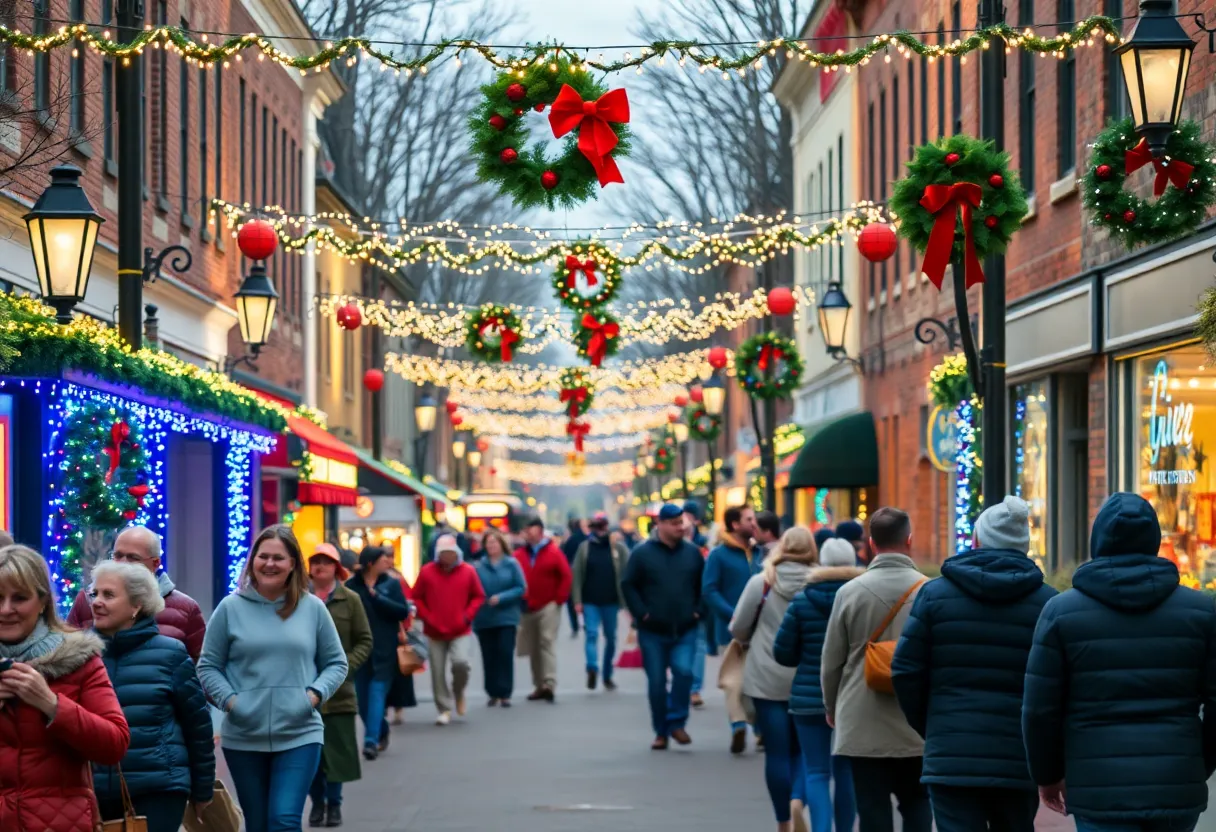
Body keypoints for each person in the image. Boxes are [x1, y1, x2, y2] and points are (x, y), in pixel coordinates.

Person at [1024, 492, 1216, 831]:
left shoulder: (1061, 613)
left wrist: (1048, 775)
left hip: (1097, 786)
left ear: (1098, 540)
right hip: (1174, 780)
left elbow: (1041, 709)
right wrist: (1198, 764)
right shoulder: (1201, 612)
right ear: (1154, 540)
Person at [890, 496, 1056, 832]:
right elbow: (1055, 688)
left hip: (952, 755)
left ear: (976, 539)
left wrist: (935, 725)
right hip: (1018, 756)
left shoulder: (935, 595)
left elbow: (906, 671)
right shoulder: (1049, 603)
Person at [197, 525, 348, 832]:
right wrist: (232, 702)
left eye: (278, 557)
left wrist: (312, 696)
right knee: (258, 824)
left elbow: (336, 663)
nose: (269, 563)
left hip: (299, 733)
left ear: (293, 563)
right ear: (252, 560)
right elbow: (208, 666)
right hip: (244, 736)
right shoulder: (230, 608)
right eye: (262, 556)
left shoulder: (312, 608)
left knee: (283, 819)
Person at [0, 544, 130, 832]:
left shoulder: (77, 659)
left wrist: (52, 704)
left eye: (19, 598)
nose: (6, 609)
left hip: (60, 822)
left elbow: (114, 744)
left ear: (43, 601)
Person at [821, 507, 930, 832]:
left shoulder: (849, 593)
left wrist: (831, 707)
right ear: (909, 540)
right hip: (917, 722)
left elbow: (831, 661)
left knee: (871, 809)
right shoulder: (930, 592)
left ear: (870, 544)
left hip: (862, 719)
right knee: (919, 803)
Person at [88, 561, 214, 832]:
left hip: (158, 789)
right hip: (94, 791)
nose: (97, 602)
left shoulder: (171, 654)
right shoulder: (80, 655)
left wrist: (202, 790)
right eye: (94, 594)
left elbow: (198, 726)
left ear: (136, 606)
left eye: (108, 595)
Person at [730, 527, 817, 832]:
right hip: (809, 679)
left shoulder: (762, 583)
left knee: (777, 754)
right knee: (808, 753)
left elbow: (738, 627)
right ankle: (798, 800)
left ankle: (783, 820)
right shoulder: (820, 584)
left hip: (766, 678)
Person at [773, 539, 861, 832]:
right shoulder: (862, 598)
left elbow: (783, 652)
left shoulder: (802, 600)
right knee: (846, 771)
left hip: (808, 697)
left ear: (821, 563)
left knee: (816, 771)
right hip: (852, 697)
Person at [621, 503, 704, 751]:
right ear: (661, 525)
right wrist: (642, 614)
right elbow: (628, 584)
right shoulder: (642, 553)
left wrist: (699, 610)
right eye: (676, 523)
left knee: (684, 672)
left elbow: (703, 584)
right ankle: (661, 731)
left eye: (683, 522)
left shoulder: (692, 553)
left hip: (685, 627)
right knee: (656, 682)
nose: (681, 527)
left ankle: (676, 721)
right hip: (652, 630)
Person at [67, 525, 206, 661]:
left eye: (133, 558)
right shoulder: (87, 600)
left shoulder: (185, 608)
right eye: (118, 556)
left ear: (156, 563)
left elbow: (200, 668)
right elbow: (66, 655)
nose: (123, 563)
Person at [308, 544, 372, 828]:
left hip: (340, 694)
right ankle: (317, 803)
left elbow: (364, 640)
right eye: (315, 561)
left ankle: (334, 805)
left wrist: (344, 668)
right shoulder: (298, 599)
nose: (319, 566)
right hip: (304, 692)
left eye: (326, 561)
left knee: (338, 755)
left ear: (336, 567)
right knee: (310, 757)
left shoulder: (351, 600)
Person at [703, 504, 761, 746]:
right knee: (733, 681)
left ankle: (760, 729)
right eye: (749, 519)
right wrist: (733, 615)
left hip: (760, 629)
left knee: (758, 681)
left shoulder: (760, 553)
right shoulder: (718, 554)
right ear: (735, 524)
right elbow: (709, 590)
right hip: (731, 630)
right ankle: (738, 724)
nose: (754, 524)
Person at [412, 534, 485, 725]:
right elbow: (416, 597)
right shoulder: (427, 572)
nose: (447, 557)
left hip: (460, 629)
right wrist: (427, 616)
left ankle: (458, 691)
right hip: (434, 631)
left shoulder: (468, 572)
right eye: (444, 553)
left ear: (457, 554)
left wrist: (467, 616)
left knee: (461, 663)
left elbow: (478, 596)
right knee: (437, 672)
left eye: (451, 553)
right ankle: (444, 708)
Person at [346, 545, 411, 747]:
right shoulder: (351, 586)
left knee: (376, 692)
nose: (388, 563)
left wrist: (379, 598)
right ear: (371, 563)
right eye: (384, 560)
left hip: (385, 648)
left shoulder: (391, 584)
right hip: (359, 649)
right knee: (363, 700)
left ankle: (370, 741)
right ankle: (381, 729)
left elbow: (402, 611)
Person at [514, 517, 572, 702]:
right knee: (533, 646)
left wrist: (559, 599)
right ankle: (538, 685)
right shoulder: (519, 555)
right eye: (526, 529)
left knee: (546, 641)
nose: (527, 532)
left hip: (548, 604)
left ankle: (549, 682)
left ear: (539, 530)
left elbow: (565, 575)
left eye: (530, 529)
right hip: (527, 606)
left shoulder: (553, 552)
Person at [572, 513, 630, 691]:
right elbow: (577, 575)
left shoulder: (618, 548)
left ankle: (607, 675)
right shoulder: (585, 548)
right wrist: (577, 600)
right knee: (591, 634)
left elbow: (628, 572)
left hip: (611, 601)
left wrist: (628, 601)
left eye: (602, 526)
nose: (600, 530)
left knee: (611, 638)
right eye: (596, 527)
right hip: (590, 600)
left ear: (607, 527)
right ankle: (592, 667)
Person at [473, 529, 527, 707]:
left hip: (506, 617)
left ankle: (505, 692)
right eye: (488, 543)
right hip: (485, 617)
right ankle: (492, 691)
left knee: (504, 652)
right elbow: (472, 589)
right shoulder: (478, 566)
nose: (491, 546)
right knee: (489, 655)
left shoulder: (511, 564)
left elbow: (521, 587)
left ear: (501, 544)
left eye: (494, 543)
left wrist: (502, 597)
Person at [382, 563, 416, 729]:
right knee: (393, 673)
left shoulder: (396, 579)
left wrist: (403, 628)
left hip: (396, 632)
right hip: (384, 632)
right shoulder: (394, 578)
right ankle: (391, 708)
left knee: (399, 672)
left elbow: (405, 606)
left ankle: (395, 707)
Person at [560, 518, 588, 636]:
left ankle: (575, 625)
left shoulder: (570, 540)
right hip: (585, 573)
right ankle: (587, 621)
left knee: (571, 601)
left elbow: (564, 557)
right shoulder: (585, 538)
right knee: (585, 598)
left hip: (571, 573)